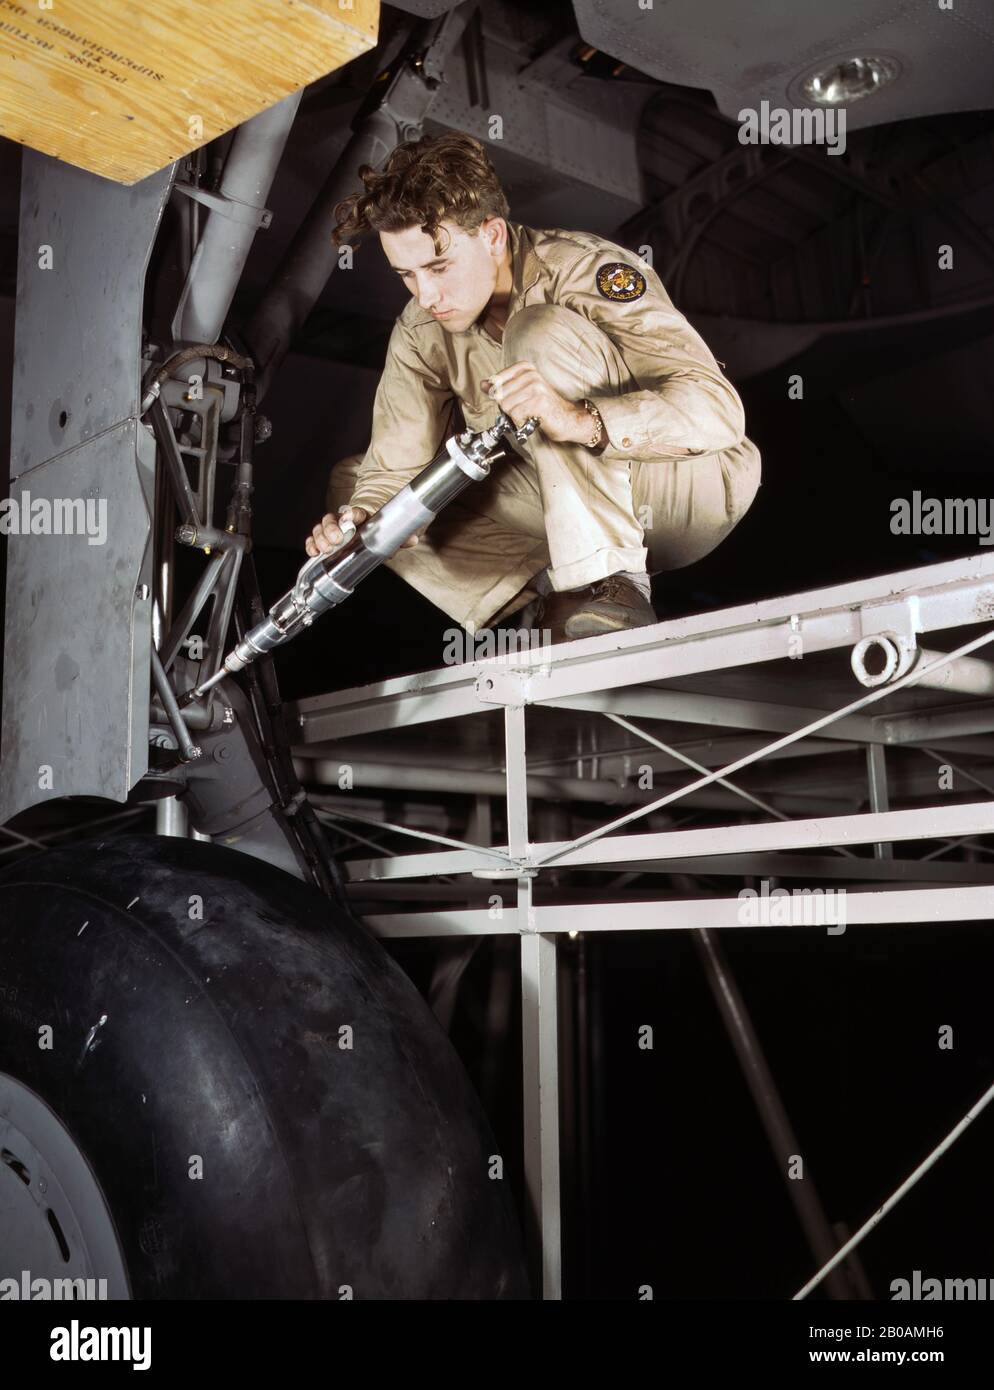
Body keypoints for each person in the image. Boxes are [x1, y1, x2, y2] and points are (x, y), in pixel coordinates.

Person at [306, 131, 761, 643]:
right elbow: (394, 466)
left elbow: (718, 410)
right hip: (564, 505)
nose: (427, 294)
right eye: (407, 275)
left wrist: (581, 420)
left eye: (438, 266)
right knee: (355, 487)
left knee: (537, 332)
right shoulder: (420, 329)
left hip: (687, 487)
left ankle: (609, 585)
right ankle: (552, 596)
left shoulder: (582, 269)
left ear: (492, 236)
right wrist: (367, 521)